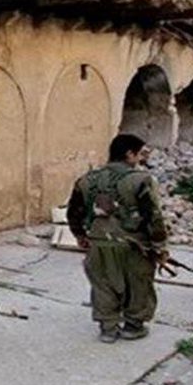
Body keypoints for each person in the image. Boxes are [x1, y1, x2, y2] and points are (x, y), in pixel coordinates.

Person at [66, 134, 168, 343]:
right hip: (134, 245)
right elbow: (153, 217)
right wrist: (159, 247)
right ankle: (133, 326)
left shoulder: (86, 180)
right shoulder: (141, 180)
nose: (141, 159)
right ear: (129, 154)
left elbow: (73, 212)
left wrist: (80, 236)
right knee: (138, 284)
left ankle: (108, 328)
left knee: (103, 284)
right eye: (140, 154)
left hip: (99, 242)